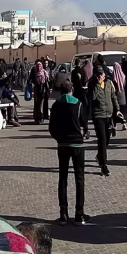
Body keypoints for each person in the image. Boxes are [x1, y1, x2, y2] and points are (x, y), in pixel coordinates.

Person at [49, 77, 88, 225]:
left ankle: (63, 213)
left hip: (63, 145)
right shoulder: (78, 104)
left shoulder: (56, 105)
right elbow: (84, 123)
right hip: (77, 145)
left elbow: (51, 128)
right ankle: (79, 214)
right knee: (79, 179)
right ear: (72, 90)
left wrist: (59, 138)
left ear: (60, 91)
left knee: (63, 178)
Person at [90, 65, 119, 177]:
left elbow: (113, 96)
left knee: (106, 139)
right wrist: (98, 84)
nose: (101, 76)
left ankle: (99, 155)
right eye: (99, 74)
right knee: (101, 139)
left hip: (109, 114)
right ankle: (104, 165)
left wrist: (117, 110)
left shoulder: (109, 83)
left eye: (102, 74)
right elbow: (92, 97)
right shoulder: (92, 84)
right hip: (98, 115)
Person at [70, 60, 90, 138]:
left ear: (75, 64)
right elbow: (85, 80)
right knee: (83, 111)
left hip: (76, 92)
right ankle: (86, 129)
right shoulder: (83, 71)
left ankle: (77, 129)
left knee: (76, 111)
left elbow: (72, 81)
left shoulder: (74, 71)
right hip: (83, 92)